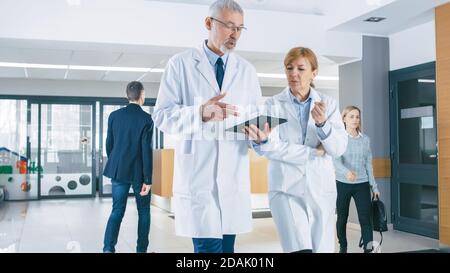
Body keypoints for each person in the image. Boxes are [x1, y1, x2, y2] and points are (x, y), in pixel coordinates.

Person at [152, 0, 262, 253]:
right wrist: (199, 113)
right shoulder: (180, 65)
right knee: (208, 250)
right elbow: (161, 116)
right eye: (229, 26)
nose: (235, 34)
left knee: (227, 251)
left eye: (240, 28)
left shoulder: (246, 70)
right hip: (199, 180)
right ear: (208, 23)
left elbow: (256, 118)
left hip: (232, 180)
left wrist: (260, 136)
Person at [244, 47, 347, 253]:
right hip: (285, 187)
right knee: (299, 248)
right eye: (289, 68)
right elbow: (269, 148)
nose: (294, 74)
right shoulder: (273, 105)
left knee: (322, 249)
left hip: (319, 186)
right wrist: (312, 152)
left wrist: (323, 125)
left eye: (301, 68)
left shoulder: (329, 105)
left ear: (314, 73)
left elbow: (337, 148)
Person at [103, 81, 154, 253]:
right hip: (139, 172)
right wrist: (148, 178)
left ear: (127, 96)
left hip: (119, 170)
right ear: (142, 95)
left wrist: (116, 161)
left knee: (117, 210)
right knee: (144, 211)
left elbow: (109, 144)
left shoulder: (114, 116)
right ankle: (141, 250)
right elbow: (146, 151)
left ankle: (108, 249)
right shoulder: (146, 119)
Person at [334, 105, 380, 253]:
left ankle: (368, 249)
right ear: (344, 119)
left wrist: (374, 187)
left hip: (362, 184)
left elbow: (368, 164)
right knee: (342, 218)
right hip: (342, 183)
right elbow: (335, 160)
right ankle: (343, 246)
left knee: (366, 220)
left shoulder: (365, 140)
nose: (355, 120)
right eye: (351, 116)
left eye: (357, 117)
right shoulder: (339, 138)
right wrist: (346, 172)